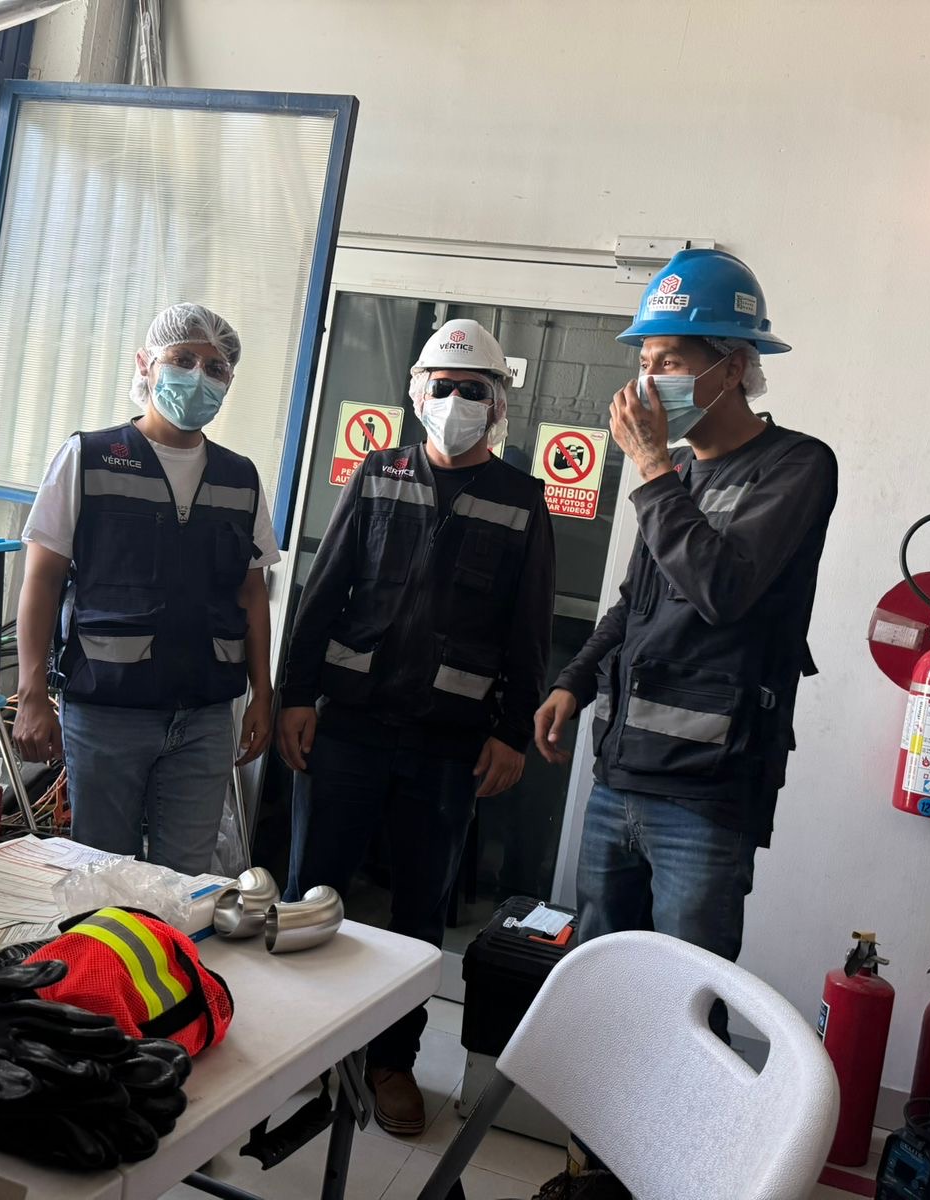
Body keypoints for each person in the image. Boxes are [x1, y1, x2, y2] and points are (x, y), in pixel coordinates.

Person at [534, 248, 838, 1031]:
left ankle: (678, 1119)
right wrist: (575, 678)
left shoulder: (795, 467)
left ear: (731, 368)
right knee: (601, 987)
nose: (647, 382)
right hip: (620, 775)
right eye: (643, 362)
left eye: (668, 361)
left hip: (707, 794)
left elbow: (723, 589)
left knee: (684, 1009)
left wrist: (649, 466)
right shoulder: (675, 476)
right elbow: (634, 603)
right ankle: (592, 1120)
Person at [277, 318, 556, 1135]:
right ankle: (296, 1045)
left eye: (474, 389)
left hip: (447, 743)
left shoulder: (523, 501)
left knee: (418, 915)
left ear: (498, 405)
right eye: (444, 386)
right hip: (351, 728)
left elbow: (529, 631)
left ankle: (391, 1061)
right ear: (417, 393)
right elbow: (324, 591)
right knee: (313, 892)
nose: (456, 400)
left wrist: (511, 730)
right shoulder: (377, 474)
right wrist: (296, 695)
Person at [11, 304, 276, 875]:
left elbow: (252, 593)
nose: (198, 376)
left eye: (215, 367)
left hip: (205, 715)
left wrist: (263, 693)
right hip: (107, 712)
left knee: (187, 880)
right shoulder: (89, 456)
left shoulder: (240, 477)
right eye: (182, 359)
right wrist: (31, 693)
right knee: (103, 874)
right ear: (145, 364)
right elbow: (42, 578)